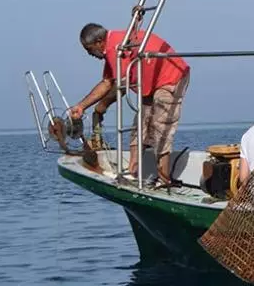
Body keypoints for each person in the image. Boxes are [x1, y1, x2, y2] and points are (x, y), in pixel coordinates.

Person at [70, 23, 189, 183]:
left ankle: (164, 180)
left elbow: (122, 84)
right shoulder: (114, 48)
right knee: (139, 126)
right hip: (149, 84)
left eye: (89, 49)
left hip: (170, 77)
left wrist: (102, 106)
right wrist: (81, 106)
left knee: (160, 127)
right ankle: (132, 171)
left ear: (99, 42)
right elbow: (107, 82)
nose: (89, 54)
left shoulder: (115, 48)